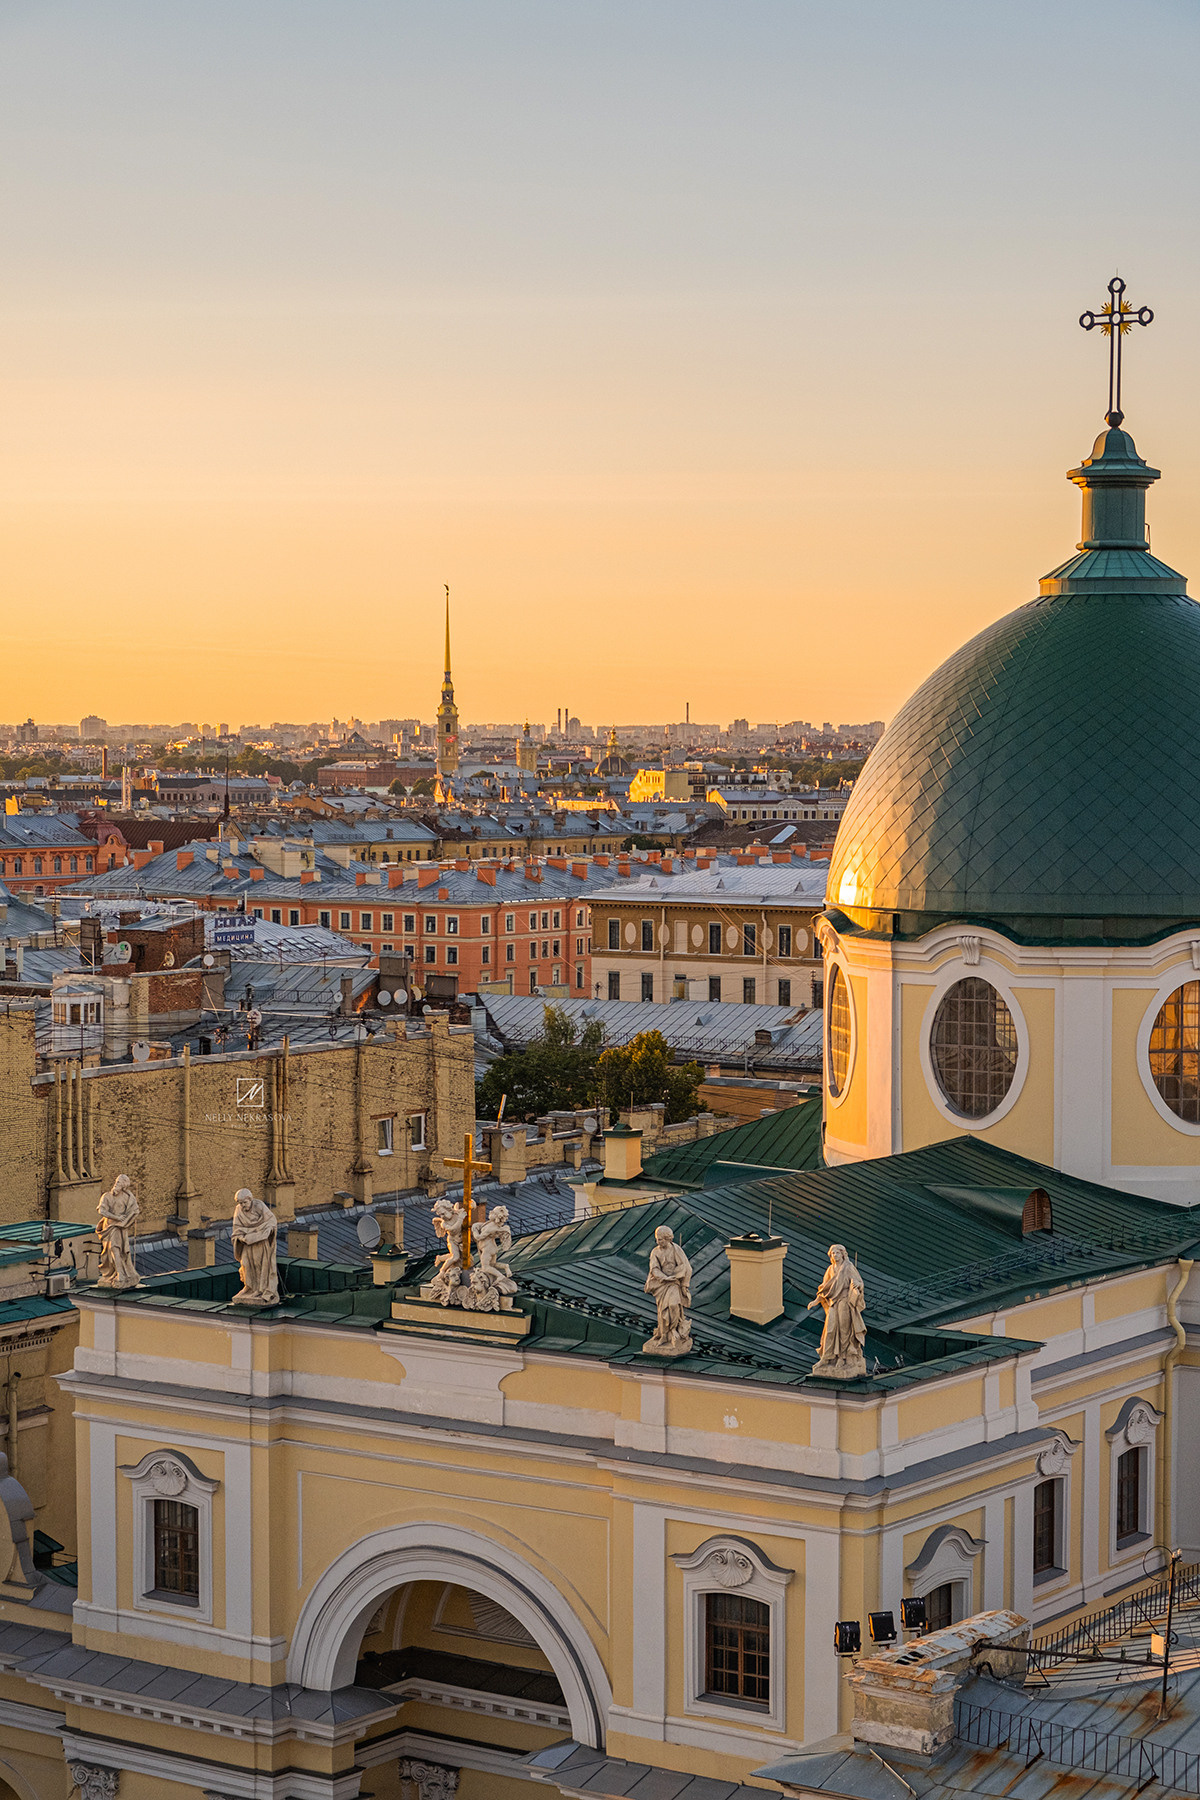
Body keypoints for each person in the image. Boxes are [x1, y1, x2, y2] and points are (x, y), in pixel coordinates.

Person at [807, 1243, 866, 1377]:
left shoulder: (848, 1267)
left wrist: (857, 1285)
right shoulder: (830, 1269)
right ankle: (826, 1357)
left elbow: (860, 1283)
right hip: (833, 1302)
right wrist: (816, 1301)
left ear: (843, 1254)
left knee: (844, 1330)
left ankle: (842, 1357)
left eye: (837, 1253)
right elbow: (825, 1288)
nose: (835, 1255)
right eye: (833, 1253)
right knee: (830, 1329)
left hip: (844, 1300)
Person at [643, 1225, 693, 1353]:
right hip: (661, 1284)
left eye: (660, 1239)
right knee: (662, 1311)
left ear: (668, 1239)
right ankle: (665, 1335)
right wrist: (664, 1278)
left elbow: (686, 1267)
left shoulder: (676, 1249)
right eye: (657, 1239)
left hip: (674, 1282)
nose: (658, 1242)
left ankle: (674, 1330)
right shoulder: (655, 1252)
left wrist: (683, 1285)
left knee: (673, 1305)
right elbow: (654, 1269)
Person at [230, 1188, 279, 1306]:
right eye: (240, 1203)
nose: (242, 1205)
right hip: (247, 1244)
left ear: (250, 1199)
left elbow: (271, 1221)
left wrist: (265, 1230)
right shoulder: (238, 1210)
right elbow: (237, 1228)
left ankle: (260, 1290)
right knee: (245, 1264)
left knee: (259, 1265)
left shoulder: (259, 1206)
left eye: (244, 1202)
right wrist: (241, 1236)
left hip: (260, 1243)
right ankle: (249, 1287)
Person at [96, 1174, 142, 1289]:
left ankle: (122, 1274)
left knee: (119, 1250)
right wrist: (116, 1217)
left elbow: (135, 1210)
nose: (117, 1183)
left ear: (124, 1186)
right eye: (117, 1181)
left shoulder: (128, 1197)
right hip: (109, 1227)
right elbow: (102, 1211)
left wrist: (126, 1220)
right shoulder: (107, 1196)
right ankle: (119, 1273)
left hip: (120, 1228)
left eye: (120, 1182)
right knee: (112, 1249)